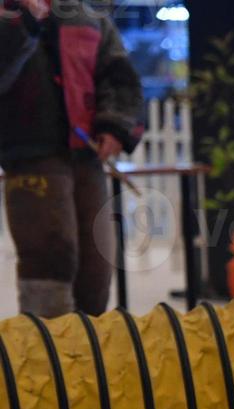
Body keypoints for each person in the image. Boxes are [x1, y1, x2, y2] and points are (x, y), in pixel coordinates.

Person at [0, 0, 143, 318]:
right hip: (30, 154)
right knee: (50, 256)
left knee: (97, 265)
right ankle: (47, 354)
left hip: (86, 155)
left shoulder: (85, 13)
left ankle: (88, 352)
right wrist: (23, 22)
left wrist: (114, 126)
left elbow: (117, 74)